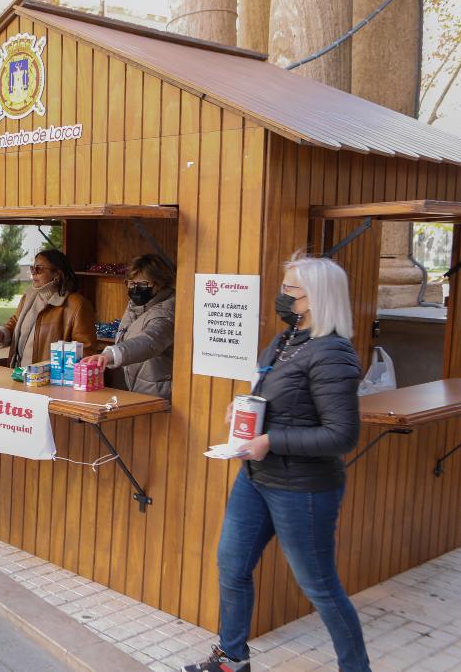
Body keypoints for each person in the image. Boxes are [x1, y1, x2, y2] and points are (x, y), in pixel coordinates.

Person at [184, 255, 368, 672]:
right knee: (231, 565)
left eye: (290, 291)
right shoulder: (286, 340)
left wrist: (272, 440)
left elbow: (342, 435)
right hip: (256, 477)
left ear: (316, 299)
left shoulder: (332, 353)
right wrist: (244, 407)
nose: (281, 297)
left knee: (319, 585)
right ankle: (232, 658)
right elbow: (276, 401)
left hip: (303, 488)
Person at [80, 254, 176, 399]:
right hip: (131, 391)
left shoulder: (167, 312)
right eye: (131, 283)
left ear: (160, 283)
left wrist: (112, 354)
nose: (136, 289)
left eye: (143, 284)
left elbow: (149, 341)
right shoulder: (135, 306)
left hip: (156, 396)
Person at [0, 249, 95, 367]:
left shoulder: (78, 304)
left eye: (39, 269)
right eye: (32, 268)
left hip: (51, 381)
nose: (34, 273)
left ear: (57, 274)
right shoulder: (28, 297)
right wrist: (2, 333)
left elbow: (85, 351)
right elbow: (15, 321)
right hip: (20, 375)